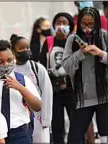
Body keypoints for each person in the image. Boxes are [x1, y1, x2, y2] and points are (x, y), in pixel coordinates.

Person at [62, 7, 108, 144]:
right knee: (74, 138)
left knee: (105, 136)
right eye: (83, 24)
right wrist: (79, 53)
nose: (87, 29)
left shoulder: (104, 36)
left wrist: (100, 53)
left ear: (97, 23)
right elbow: (66, 66)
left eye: (91, 24)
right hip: (82, 98)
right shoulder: (72, 39)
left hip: (105, 96)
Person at [0, 40, 42, 144]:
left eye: (9, 60)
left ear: (14, 59)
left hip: (20, 133)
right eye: (0, 62)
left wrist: (20, 88)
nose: (6, 64)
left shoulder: (23, 80)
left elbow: (37, 106)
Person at [11, 34, 53, 143]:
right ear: (13, 51)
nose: (25, 50)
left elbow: (47, 94)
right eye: (21, 48)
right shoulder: (11, 70)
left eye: (27, 47)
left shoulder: (37, 68)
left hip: (39, 116)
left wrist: (46, 119)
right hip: (21, 117)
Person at [45, 12, 75, 144]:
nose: (61, 25)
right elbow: (42, 63)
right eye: (58, 23)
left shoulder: (75, 40)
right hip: (55, 90)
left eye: (64, 23)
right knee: (57, 126)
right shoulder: (49, 41)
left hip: (72, 89)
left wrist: (65, 41)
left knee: (76, 124)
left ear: (70, 25)